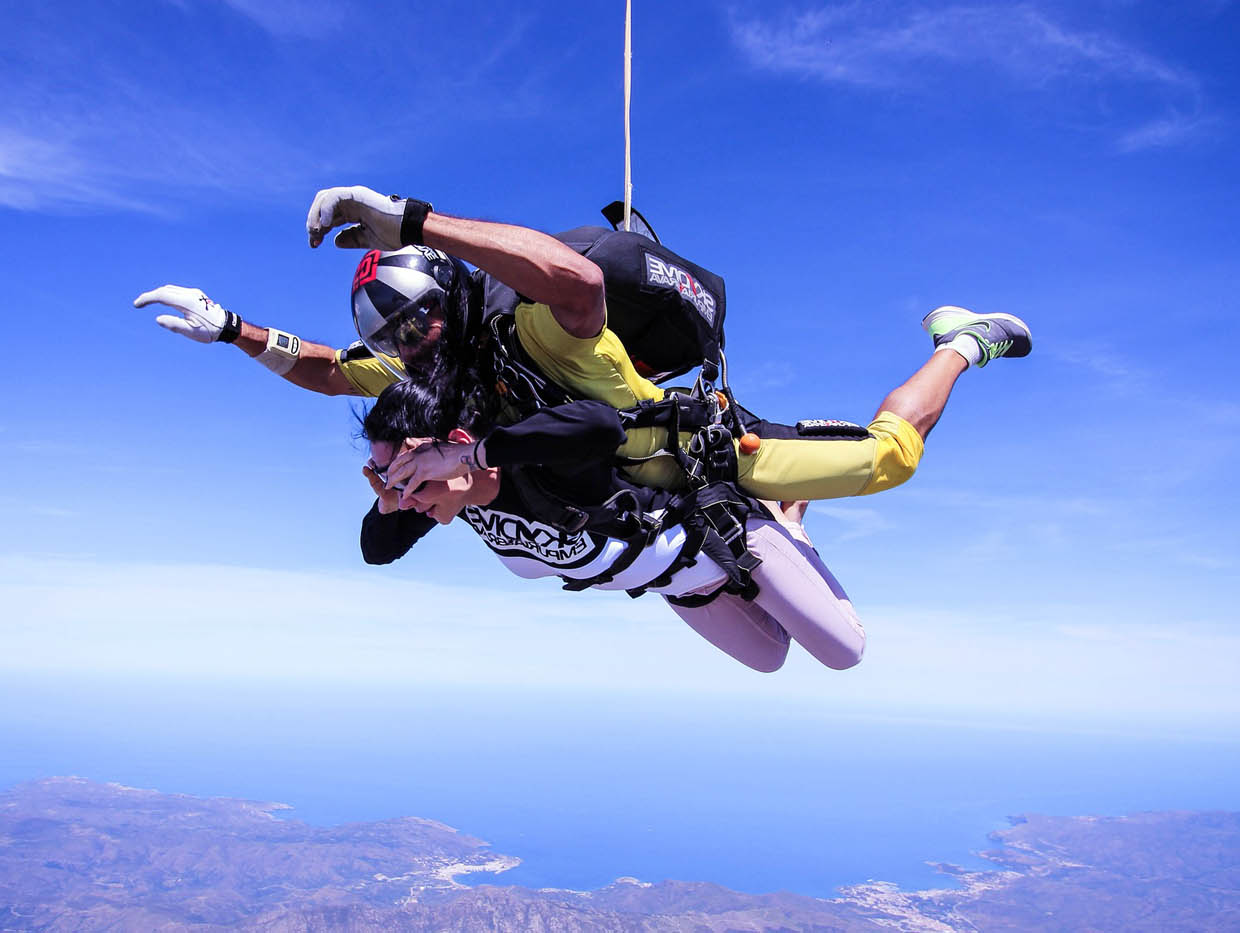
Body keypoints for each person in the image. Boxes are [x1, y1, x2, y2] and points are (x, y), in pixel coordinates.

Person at [134, 184, 1035, 505]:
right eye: (399, 336)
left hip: (701, 456)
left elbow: (577, 281)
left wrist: (414, 218)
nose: (413, 343)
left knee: (889, 463)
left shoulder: (528, 326)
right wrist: (232, 331)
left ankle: (961, 343)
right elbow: (331, 369)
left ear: (451, 296)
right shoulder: (430, 368)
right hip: (628, 484)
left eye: (420, 319)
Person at [359, 381, 859, 673]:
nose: (405, 495)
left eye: (410, 476)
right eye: (390, 479)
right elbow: (376, 551)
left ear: (454, 448)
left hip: (724, 539)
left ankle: (783, 519)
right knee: (771, 657)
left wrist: (473, 454)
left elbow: (599, 425)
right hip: (679, 585)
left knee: (844, 652)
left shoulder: (532, 464)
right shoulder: (452, 501)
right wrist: (388, 503)